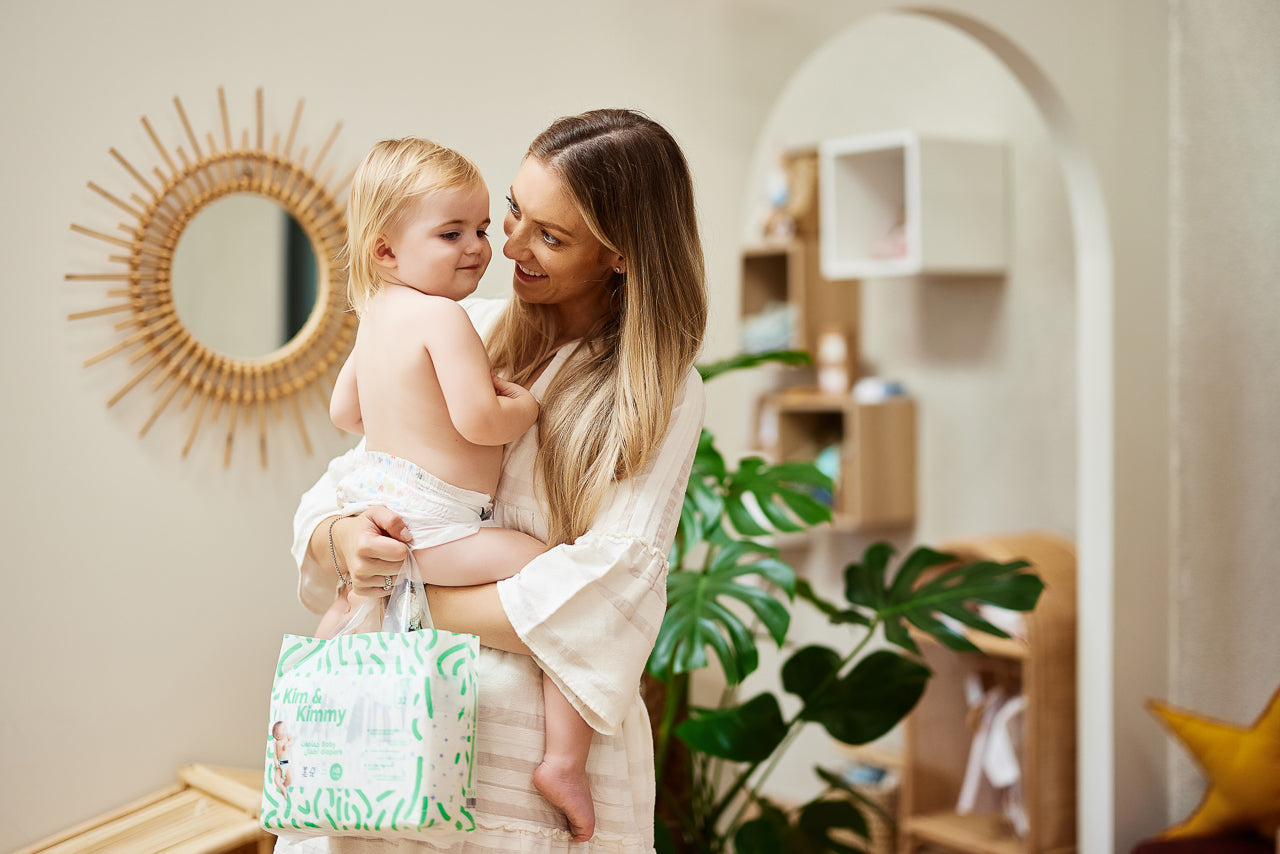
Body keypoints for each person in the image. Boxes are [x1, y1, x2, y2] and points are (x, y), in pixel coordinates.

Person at [283, 108, 707, 854]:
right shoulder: (461, 325)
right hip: (385, 744)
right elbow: (347, 478)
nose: (504, 245)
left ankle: (562, 765)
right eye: (513, 211)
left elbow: (613, 582)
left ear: (623, 256)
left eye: (551, 235)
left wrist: (409, 595)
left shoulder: (657, 391)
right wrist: (344, 537)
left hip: (519, 780)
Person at [317, 137, 598, 840]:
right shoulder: (443, 318)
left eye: (480, 227)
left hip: (379, 500)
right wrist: (525, 404)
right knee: (552, 577)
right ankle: (564, 759)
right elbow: (481, 421)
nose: (479, 247)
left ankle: (319, 715)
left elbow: (344, 413)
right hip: (435, 523)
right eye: (452, 234)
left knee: (355, 612)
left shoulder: (377, 311)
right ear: (386, 251)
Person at [271, 721, 294, 793]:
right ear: (277, 736)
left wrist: (287, 744)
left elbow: (292, 740)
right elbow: (275, 753)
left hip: (287, 763)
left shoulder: (287, 737)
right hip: (280, 764)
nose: (286, 729)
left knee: (290, 778)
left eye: (285, 728)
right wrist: (275, 761)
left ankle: (284, 786)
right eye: (283, 729)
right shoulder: (276, 743)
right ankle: (282, 788)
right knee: (276, 780)